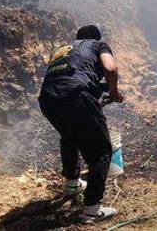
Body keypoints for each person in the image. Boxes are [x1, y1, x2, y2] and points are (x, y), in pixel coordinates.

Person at [38, 25, 124, 223]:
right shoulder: (98, 45)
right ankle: (91, 210)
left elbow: (70, 78)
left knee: (69, 137)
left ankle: (72, 184)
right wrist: (113, 92)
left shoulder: (63, 50)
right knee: (101, 151)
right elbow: (110, 68)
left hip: (47, 99)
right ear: (96, 38)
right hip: (76, 95)